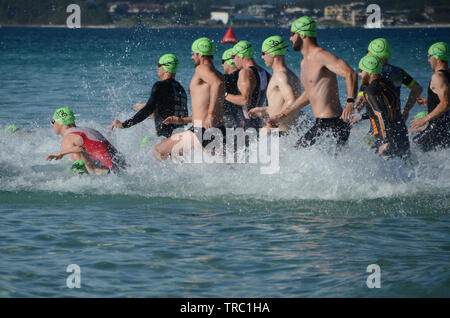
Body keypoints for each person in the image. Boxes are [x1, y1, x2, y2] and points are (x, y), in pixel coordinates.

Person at [268, 16, 357, 149]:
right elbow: (309, 95)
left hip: (333, 123)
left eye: (293, 34)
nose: (290, 38)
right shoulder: (304, 63)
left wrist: (350, 103)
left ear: (303, 34)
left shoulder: (321, 56)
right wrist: (282, 115)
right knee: (301, 155)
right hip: (322, 123)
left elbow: (350, 73)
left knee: (297, 153)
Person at [153, 38, 226, 161]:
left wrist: (210, 114)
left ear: (200, 54)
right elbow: (203, 108)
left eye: (193, 54)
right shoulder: (219, 74)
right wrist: (181, 120)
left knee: (158, 151)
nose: (192, 57)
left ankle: (166, 180)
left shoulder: (202, 68)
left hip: (202, 131)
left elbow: (217, 84)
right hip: (218, 130)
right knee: (219, 170)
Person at [109, 54, 188, 138]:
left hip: (166, 140)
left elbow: (148, 109)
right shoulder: (181, 90)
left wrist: (124, 124)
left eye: (159, 65)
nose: (157, 68)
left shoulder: (160, 85)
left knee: (154, 150)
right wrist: (156, 114)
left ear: (165, 69)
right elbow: (180, 116)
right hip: (179, 139)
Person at [353, 38, 423, 124]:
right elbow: (417, 88)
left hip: (379, 123)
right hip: (397, 119)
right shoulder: (398, 72)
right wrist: (406, 110)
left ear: (373, 55)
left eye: (368, 52)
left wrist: (353, 114)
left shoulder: (371, 74)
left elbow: (361, 100)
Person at [357, 55, 410, 159]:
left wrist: (385, 140)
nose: (359, 74)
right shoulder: (387, 82)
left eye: (361, 70)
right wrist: (361, 117)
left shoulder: (370, 91)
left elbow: (380, 114)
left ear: (369, 71)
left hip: (385, 137)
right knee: (406, 167)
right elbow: (387, 109)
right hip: (401, 131)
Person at [248, 35, 302, 136]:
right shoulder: (291, 75)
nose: (262, 57)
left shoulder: (280, 76)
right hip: (289, 134)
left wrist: (276, 120)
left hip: (279, 133)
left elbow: (291, 101)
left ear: (272, 54)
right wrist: (264, 109)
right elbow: (285, 105)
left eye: (263, 53)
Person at [47, 107, 126, 175]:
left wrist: (61, 154)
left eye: (53, 121)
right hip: (122, 164)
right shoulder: (88, 130)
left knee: (92, 170)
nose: (52, 125)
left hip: (109, 171)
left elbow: (80, 164)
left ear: (60, 122)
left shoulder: (68, 139)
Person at [410, 42, 450, 152]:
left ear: (436, 57)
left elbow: (445, 104)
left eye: (429, 56)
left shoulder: (438, 77)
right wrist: (429, 102)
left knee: (413, 145)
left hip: (437, 128)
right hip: (446, 128)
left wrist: (424, 119)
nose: (428, 60)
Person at [225, 40, 271, 131]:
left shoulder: (245, 72)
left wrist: (225, 95)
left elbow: (245, 100)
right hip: (258, 123)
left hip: (244, 125)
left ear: (240, 55)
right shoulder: (265, 73)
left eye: (233, 56)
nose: (233, 61)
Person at [221, 48, 243, 129]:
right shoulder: (246, 75)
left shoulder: (223, 79)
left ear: (227, 62)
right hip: (245, 118)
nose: (222, 65)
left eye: (222, 62)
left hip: (228, 117)